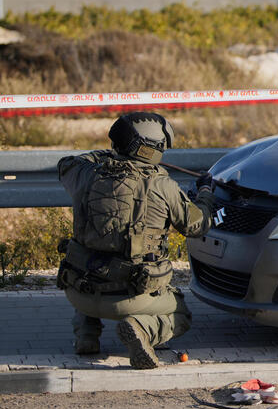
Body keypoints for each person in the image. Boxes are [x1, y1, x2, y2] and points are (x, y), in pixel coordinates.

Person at [56, 112, 216, 369]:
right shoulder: (162, 185)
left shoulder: (86, 174)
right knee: (181, 314)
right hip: (131, 298)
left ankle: (86, 336)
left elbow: (67, 163)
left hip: (79, 292)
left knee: (91, 261)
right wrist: (206, 192)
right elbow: (198, 226)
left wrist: (110, 156)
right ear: (153, 147)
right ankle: (142, 327)